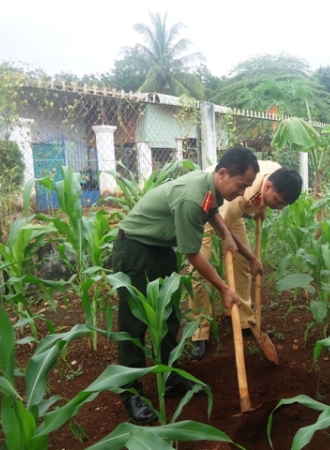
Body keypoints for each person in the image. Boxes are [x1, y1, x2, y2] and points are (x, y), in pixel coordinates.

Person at [112, 146, 262, 424]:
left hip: (160, 250)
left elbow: (212, 211)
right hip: (135, 249)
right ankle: (130, 393)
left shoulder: (209, 189)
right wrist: (224, 289)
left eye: (246, 188)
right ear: (223, 173)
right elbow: (193, 254)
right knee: (134, 325)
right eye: (241, 186)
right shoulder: (192, 197)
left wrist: (228, 237)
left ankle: (169, 376)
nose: (242, 193)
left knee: (169, 316)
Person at [188, 161, 303, 360]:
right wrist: (251, 257)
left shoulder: (278, 175)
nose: (280, 207)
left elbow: (267, 194)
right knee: (200, 268)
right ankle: (199, 332)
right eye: (278, 201)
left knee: (242, 264)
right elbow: (222, 227)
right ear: (268, 187)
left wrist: (265, 205)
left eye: (284, 205)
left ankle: (244, 321)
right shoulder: (242, 196)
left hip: (236, 211)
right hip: (207, 209)